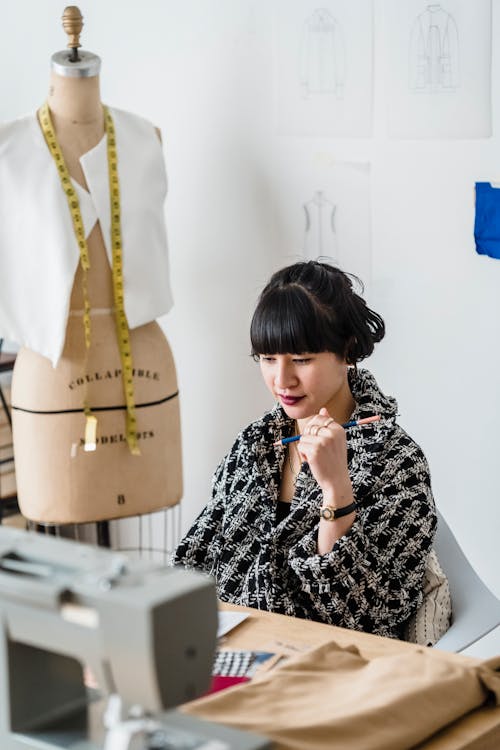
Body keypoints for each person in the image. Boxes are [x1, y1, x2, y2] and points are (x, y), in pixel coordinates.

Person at [173, 260, 437, 639]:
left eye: (301, 360)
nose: (281, 380)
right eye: (267, 359)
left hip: (334, 662)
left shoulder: (397, 460)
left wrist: (337, 490)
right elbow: (196, 561)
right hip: (233, 650)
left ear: (346, 351)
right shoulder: (255, 444)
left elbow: (365, 618)